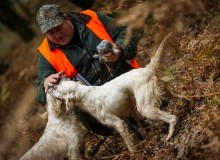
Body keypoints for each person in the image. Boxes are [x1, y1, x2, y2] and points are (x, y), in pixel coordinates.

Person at [35, 4, 141, 137]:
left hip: (131, 86)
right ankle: (119, 131)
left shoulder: (92, 19)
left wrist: (119, 50)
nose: (57, 35)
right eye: (51, 33)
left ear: (66, 18)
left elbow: (125, 30)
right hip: (101, 112)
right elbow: (40, 93)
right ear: (45, 34)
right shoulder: (46, 54)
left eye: (58, 28)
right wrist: (46, 83)